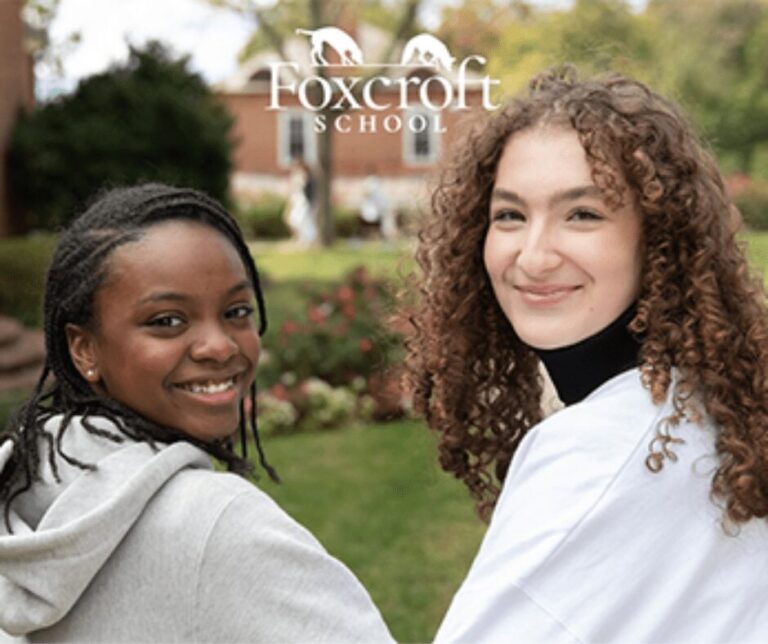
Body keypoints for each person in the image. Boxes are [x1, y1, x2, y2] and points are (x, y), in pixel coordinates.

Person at [404, 67, 768, 643]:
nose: (534, 256)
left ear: (660, 238)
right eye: (510, 215)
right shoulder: (716, 406)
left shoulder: (600, 453)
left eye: (583, 214)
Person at [0, 184, 393, 642]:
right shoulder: (221, 523)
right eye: (167, 320)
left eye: (237, 311)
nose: (219, 346)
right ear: (84, 349)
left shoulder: (26, 485)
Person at [284, 158, 318, 245]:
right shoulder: (296, 176)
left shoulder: (305, 177)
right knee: (293, 220)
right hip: (297, 200)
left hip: (303, 202)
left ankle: (307, 238)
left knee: (303, 220)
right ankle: (299, 238)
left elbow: (307, 190)